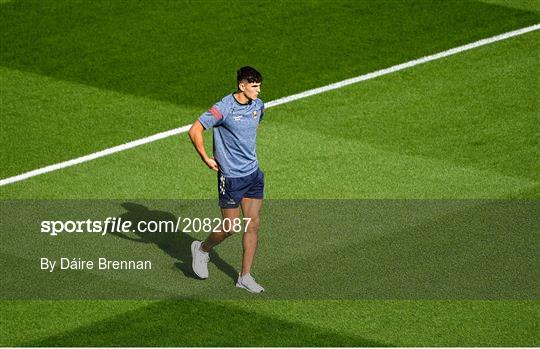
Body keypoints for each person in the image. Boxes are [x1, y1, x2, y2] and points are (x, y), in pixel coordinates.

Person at [188, 66, 266, 293]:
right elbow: (194, 130)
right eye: (254, 86)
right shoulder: (224, 108)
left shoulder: (258, 106)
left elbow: (250, 130)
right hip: (231, 178)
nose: (258, 91)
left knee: (253, 224)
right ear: (242, 86)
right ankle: (202, 249)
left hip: (253, 175)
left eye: (259, 86)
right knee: (230, 227)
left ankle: (245, 277)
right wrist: (206, 158)